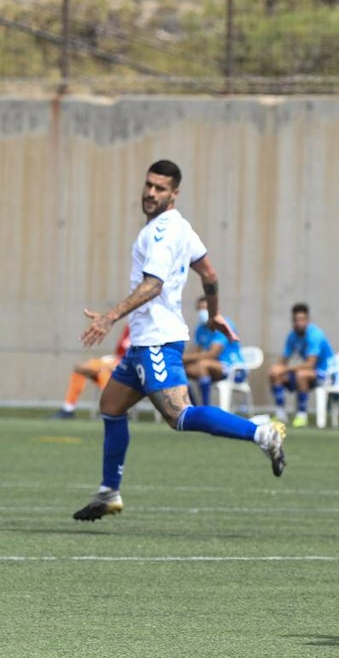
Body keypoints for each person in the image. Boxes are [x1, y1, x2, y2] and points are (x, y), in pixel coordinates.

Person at [72, 160, 286, 521]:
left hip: (157, 340)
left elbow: (153, 284)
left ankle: (262, 433)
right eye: (148, 185)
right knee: (111, 407)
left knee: (178, 414)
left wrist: (110, 316)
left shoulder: (161, 234)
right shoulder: (181, 228)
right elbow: (209, 273)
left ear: (174, 193)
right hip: (144, 342)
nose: (150, 193)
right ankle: (109, 492)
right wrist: (215, 313)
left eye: (160, 188)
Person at [268, 302, 335, 428]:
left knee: (301, 374)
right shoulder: (292, 336)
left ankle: (301, 415)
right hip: (309, 374)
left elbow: (310, 364)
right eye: (295, 320)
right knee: (275, 374)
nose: (298, 323)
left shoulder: (315, 334)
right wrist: (277, 368)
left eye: (301, 320)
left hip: (326, 374)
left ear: (308, 320)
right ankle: (280, 413)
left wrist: (284, 369)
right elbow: (283, 360)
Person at [52, 326, 131, 418]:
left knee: (103, 372)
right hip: (116, 359)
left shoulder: (147, 329)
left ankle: (116, 410)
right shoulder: (130, 326)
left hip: (130, 364)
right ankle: (68, 409)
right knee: (80, 369)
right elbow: (120, 350)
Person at [183, 295, 245, 406]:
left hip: (234, 369)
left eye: (206, 309)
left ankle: (206, 408)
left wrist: (183, 358)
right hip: (212, 367)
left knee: (202, 365)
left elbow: (212, 354)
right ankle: (193, 408)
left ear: (215, 310)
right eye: (200, 309)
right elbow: (195, 352)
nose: (203, 312)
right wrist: (181, 360)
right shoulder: (200, 328)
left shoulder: (224, 325)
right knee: (180, 369)